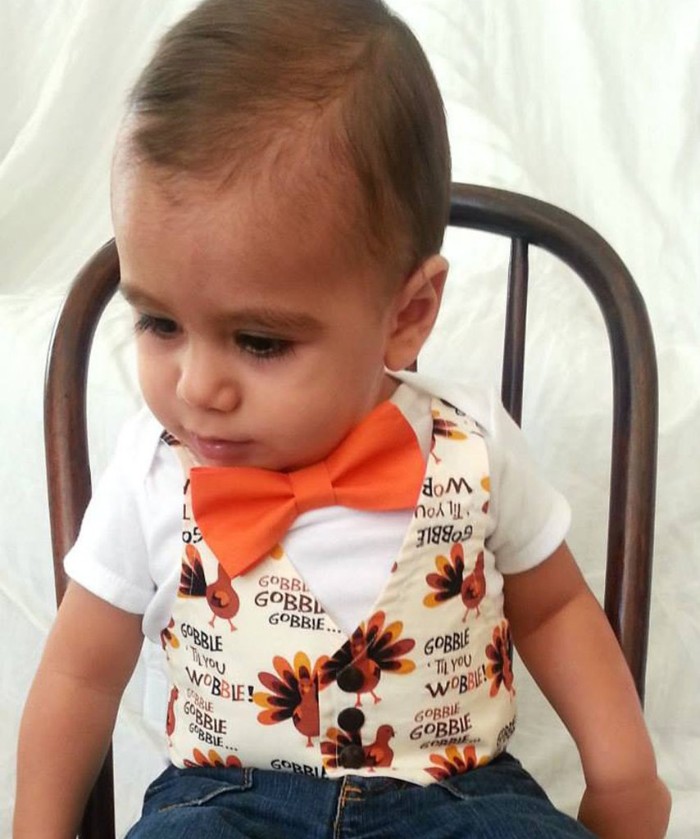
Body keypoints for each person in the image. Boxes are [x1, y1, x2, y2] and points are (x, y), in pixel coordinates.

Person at [15, 1, 671, 837]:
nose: (197, 385)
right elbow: (78, 673)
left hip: (460, 800)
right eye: (159, 322)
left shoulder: (469, 442)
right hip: (229, 804)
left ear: (407, 313)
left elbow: (554, 609)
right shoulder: (152, 467)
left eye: (257, 340)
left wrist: (624, 771)